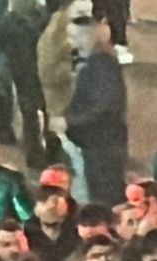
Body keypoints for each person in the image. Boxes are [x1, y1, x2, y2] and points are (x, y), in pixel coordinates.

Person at [64, 15, 128, 207]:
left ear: (91, 37)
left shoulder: (99, 66)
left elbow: (101, 106)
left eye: (77, 37)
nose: (73, 43)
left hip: (102, 144)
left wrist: (70, 120)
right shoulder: (100, 62)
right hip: (104, 141)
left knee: (104, 197)